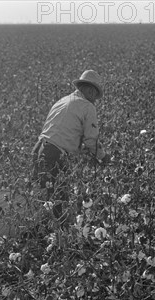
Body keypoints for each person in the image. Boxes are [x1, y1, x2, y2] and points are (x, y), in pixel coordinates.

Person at [34, 70, 110, 224]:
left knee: (41, 199)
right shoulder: (87, 106)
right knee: (58, 202)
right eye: (95, 95)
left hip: (38, 150)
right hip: (54, 155)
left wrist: (79, 150)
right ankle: (57, 241)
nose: (96, 100)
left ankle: (41, 238)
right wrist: (103, 157)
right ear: (90, 90)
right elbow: (91, 140)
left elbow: (62, 132)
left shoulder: (63, 100)